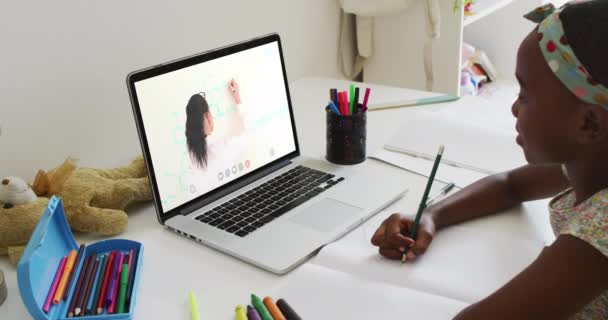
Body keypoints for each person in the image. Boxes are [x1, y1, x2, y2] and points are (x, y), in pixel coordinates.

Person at [371, 1, 608, 319]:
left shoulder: (600, 230)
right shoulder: (592, 160)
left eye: (524, 96)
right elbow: (510, 185)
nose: (514, 108)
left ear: (589, 123)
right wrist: (432, 216)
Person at [185, 78, 244, 170]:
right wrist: (237, 98)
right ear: (208, 116)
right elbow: (245, 134)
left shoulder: (190, 157)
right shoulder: (220, 148)